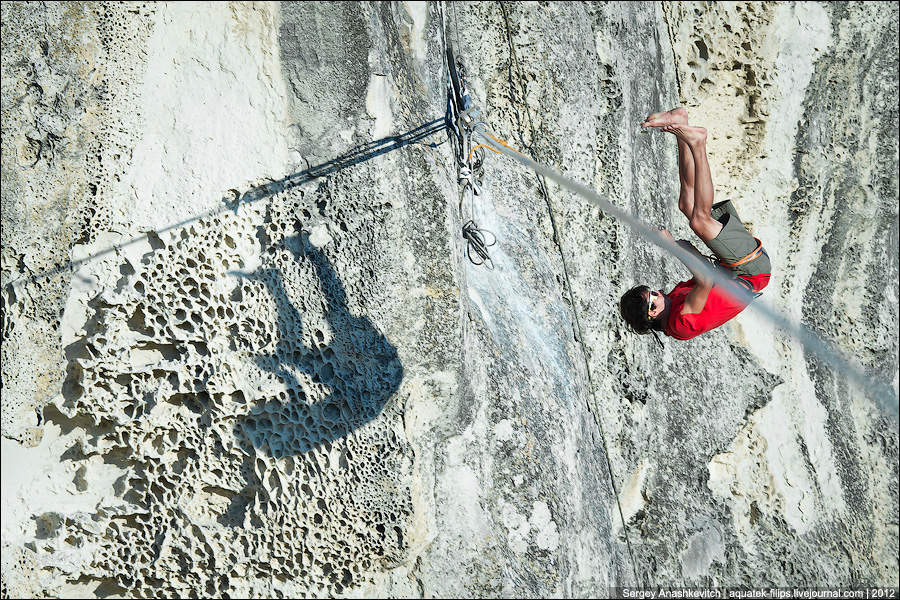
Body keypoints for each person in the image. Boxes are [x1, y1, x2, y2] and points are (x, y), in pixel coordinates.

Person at [619, 108, 771, 342]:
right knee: (699, 220)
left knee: (686, 204)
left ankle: (681, 127)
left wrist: (688, 250)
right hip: (751, 271)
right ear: (652, 313)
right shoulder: (680, 324)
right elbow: (706, 281)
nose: (658, 292)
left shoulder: (670, 302)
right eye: (653, 296)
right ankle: (698, 144)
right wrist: (673, 247)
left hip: (732, 266)